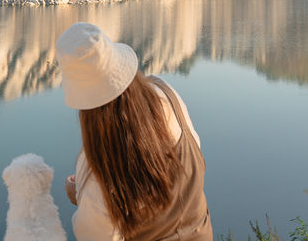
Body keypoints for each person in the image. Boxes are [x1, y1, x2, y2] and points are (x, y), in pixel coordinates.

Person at [55, 22, 212, 241]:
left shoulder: (98, 167)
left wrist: (79, 194)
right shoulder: (166, 94)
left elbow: (96, 236)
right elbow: (194, 155)